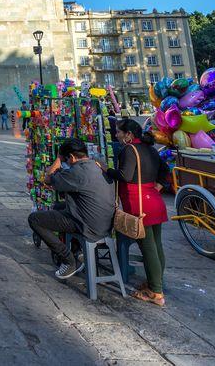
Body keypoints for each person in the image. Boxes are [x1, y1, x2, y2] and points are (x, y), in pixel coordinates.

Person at [27, 138, 115, 279]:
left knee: (35, 219)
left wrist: (58, 159)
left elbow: (48, 179)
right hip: (105, 222)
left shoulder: (77, 172)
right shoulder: (98, 165)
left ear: (72, 157)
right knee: (58, 206)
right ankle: (76, 250)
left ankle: (68, 259)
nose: (66, 163)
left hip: (88, 225)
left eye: (66, 160)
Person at [110, 119, 170, 306]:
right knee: (156, 244)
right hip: (153, 199)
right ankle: (156, 282)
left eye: (119, 132)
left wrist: (106, 169)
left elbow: (125, 176)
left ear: (129, 134)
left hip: (138, 202)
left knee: (147, 246)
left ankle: (155, 292)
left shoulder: (129, 150)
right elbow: (165, 169)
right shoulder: (149, 148)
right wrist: (158, 186)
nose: (117, 135)